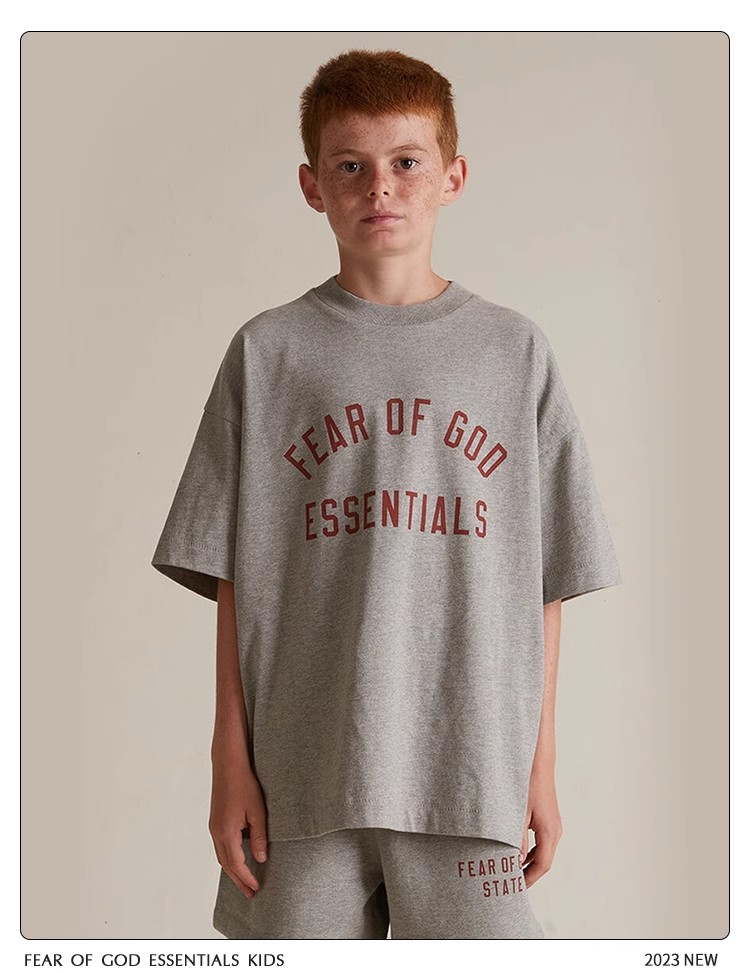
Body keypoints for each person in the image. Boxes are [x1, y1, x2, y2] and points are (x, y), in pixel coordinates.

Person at [151, 48, 623, 940]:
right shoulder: (269, 353)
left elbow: (545, 579)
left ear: (453, 176)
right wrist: (228, 758)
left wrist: (539, 760)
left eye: (407, 161)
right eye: (350, 166)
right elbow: (234, 578)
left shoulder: (514, 353)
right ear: (311, 185)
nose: (380, 186)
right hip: (302, 771)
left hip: (470, 769)